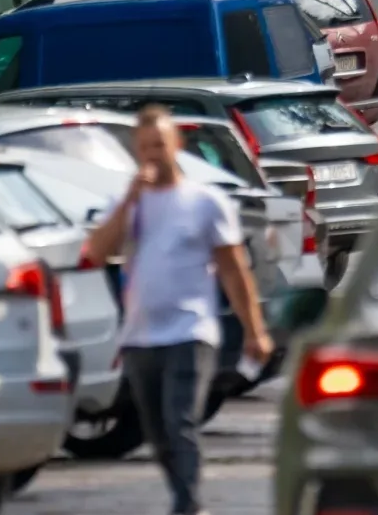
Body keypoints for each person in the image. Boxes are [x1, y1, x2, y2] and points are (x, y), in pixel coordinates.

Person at [85, 105, 273, 515]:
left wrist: (255, 330)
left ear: (177, 146)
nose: (154, 154)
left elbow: (233, 270)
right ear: (137, 150)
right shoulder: (126, 202)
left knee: (180, 422)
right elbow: (96, 252)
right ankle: (184, 497)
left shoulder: (206, 202)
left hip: (191, 331)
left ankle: (187, 506)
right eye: (146, 147)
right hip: (139, 336)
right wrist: (130, 200)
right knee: (158, 434)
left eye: (161, 145)